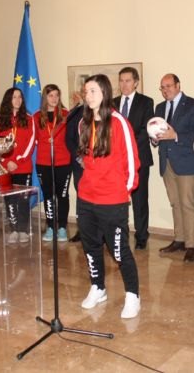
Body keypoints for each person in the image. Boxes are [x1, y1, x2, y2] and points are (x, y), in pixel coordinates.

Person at [76, 74, 141, 319]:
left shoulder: (118, 122)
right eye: (86, 91)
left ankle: (133, 295)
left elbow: (132, 160)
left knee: (118, 249)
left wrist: (125, 190)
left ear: (104, 92)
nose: (87, 95)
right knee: (91, 246)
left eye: (92, 91)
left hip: (112, 199)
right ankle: (98, 287)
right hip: (86, 197)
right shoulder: (83, 123)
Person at [154, 74, 194, 262]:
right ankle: (179, 239)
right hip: (166, 161)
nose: (165, 90)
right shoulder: (159, 107)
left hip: (187, 161)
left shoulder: (193, 105)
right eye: (162, 87)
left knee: (187, 203)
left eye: (168, 86)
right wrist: (154, 138)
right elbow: (156, 131)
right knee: (175, 202)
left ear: (178, 85)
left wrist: (176, 136)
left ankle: (191, 245)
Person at [113, 67, 155, 250]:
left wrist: (126, 147)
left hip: (139, 158)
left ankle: (141, 235)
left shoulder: (146, 102)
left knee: (139, 199)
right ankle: (117, 234)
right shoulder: (112, 103)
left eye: (128, 80)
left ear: (136, 82)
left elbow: (145, 130)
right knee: (116, 199)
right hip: (115, 161)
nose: (124, 84)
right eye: (121, 80)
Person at [0, 87, 36, 244]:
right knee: (10, 199)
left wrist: (17, 161)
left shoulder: (29, 118)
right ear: (8, 100)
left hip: (23, 166)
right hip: (6, 166)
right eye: (14, 97)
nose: (18, 100)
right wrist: (6, 162)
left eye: (20, 97)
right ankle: (13, 229)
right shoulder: (1, 119)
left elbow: (31, 143)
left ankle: (22, 229)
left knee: (23, 200)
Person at [34, 84, 71, 242]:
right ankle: (50, 226)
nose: (54, 99)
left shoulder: (66, 114)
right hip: (43, 162)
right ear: (45, 97)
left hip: (63, 161)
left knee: (62, 196)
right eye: (51, 96)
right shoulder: (36, 116)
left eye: (56, 95)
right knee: (48, 195)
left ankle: (62, 227)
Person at [65, 85, 86, 243]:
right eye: (84, 91)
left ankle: (100, 231)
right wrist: (80, 158)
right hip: (79, 164)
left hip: (98, 164)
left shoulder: (103, 112)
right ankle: (82, 229)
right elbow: (69, 139)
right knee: (82, 196)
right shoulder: (74, 113)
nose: (87, 94)